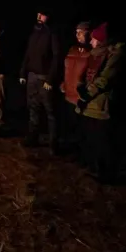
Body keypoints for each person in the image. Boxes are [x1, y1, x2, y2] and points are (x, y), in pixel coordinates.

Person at [76, 22, 124, 184]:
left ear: (102, 41)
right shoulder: (96, 55)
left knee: (103, 140)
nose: (91, 42)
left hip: (102, 103)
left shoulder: (113, 56)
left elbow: (104, 79)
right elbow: (86, 75)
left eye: (94, 39)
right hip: (92, 102)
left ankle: (107, 174)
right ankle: (95, 167)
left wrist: (87, 94)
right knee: (92, 137)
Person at [19, 9, 61, 150]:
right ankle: (33, 137)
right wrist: (23, 72)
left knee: (50, 111)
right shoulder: (34, 33)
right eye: (38, 14)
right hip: (32, 76)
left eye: (42, 15)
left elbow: (56, 57)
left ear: (48, 17)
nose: (39, 17)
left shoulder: (52, 34)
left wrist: (50, 79)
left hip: (44, 77)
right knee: (33, 107)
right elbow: (28, 54)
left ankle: (53, 143)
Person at [57, 21, 91, 154]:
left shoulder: (91, 53)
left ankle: (83, 154)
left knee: (81, 128)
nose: (78, 35)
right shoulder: (72, 50)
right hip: (68, 93)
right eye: (77, 32)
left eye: (81, 32)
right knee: (68, 125)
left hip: (80, 97)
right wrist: (63, 83)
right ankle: (70, 150)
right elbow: (65, 69)